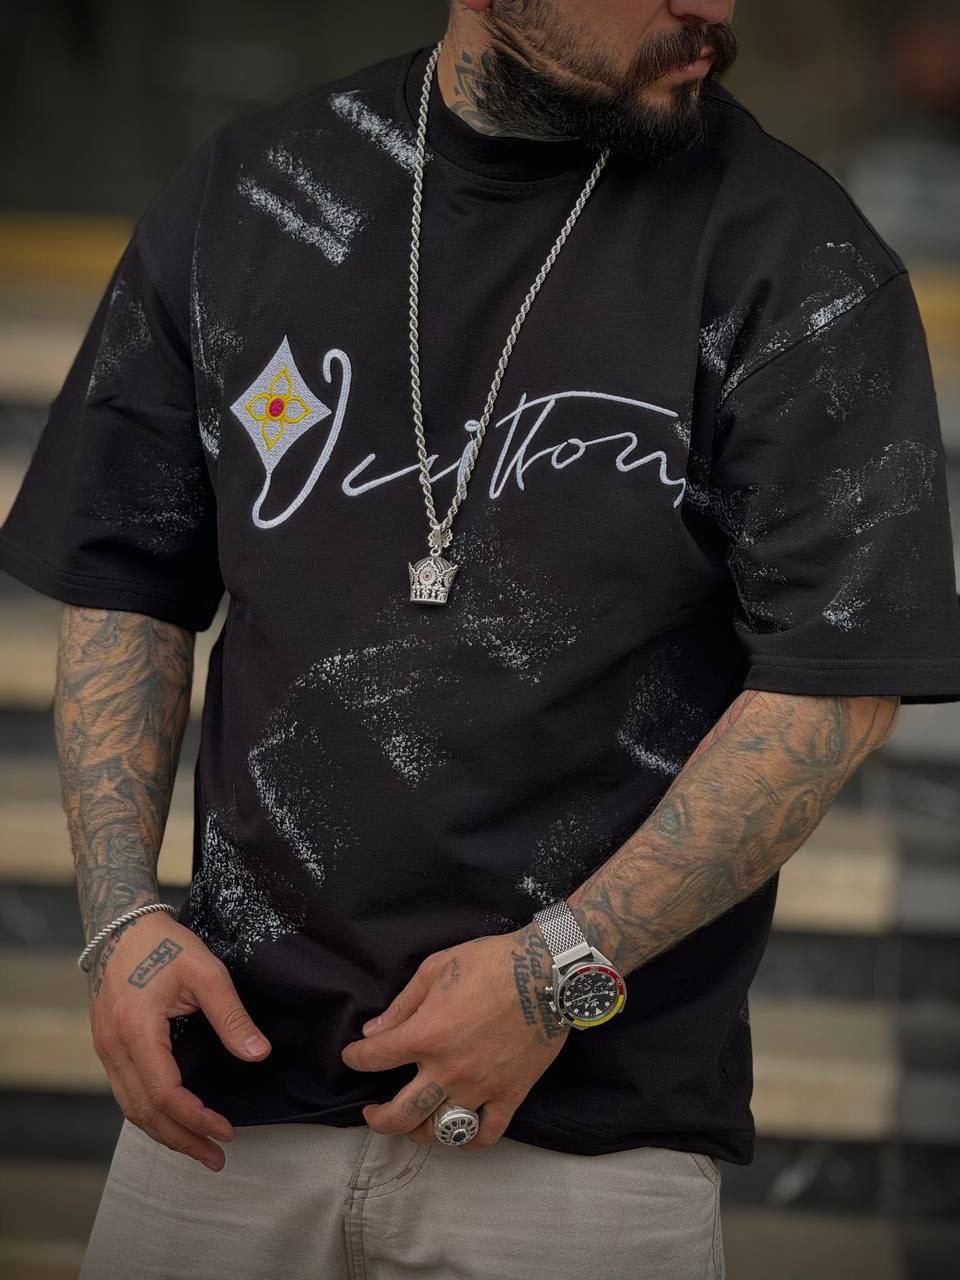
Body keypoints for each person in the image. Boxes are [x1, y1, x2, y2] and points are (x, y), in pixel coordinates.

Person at [2, 1, 958, 1276]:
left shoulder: (797, 255)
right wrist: (121, 918)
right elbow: (124, 576)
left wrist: (557, 971)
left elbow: (832, 690)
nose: (712, 9)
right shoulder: (258, 191)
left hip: (585, 1148)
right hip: (225, 1107)